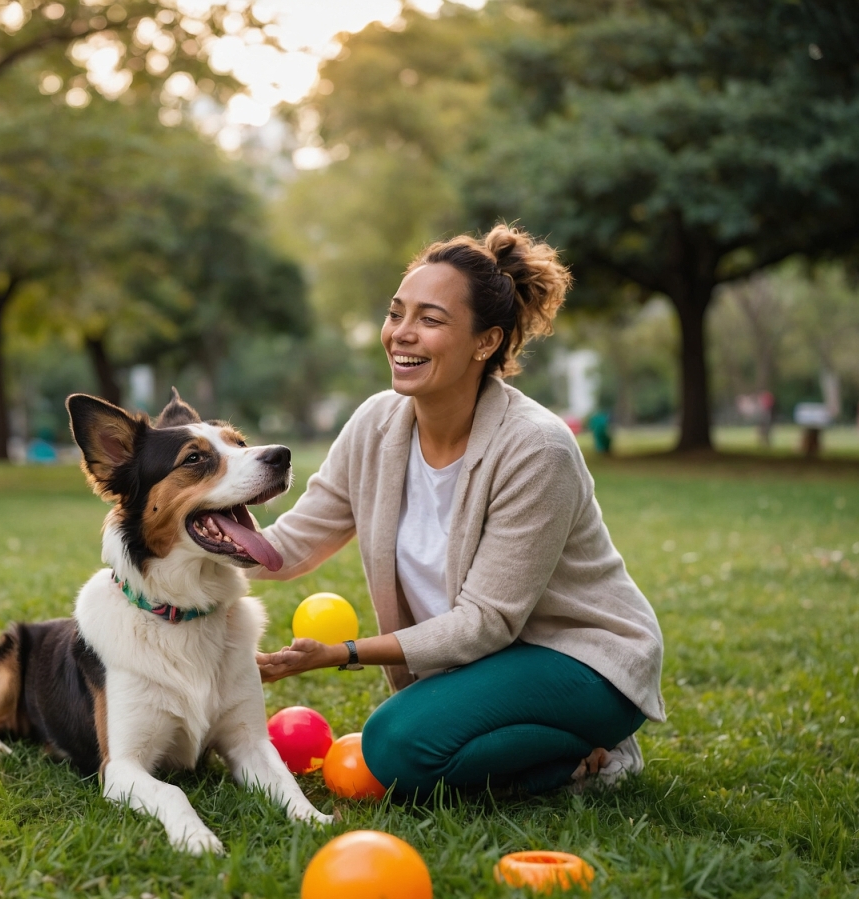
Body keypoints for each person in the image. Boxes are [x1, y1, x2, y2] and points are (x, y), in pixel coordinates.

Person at [253, 226, 664, 797]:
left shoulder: (535, 448)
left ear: (485, 342)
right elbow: (294, 542)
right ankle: (561, 753)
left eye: (430, 319)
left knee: (394, 747)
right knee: (405, 749)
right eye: (396, 313)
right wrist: (190, 544)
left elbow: (485, 622)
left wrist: (340, 655)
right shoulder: (375, 426)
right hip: (489, 666)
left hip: (583, 660)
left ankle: (596, 751)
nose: (402, 333)